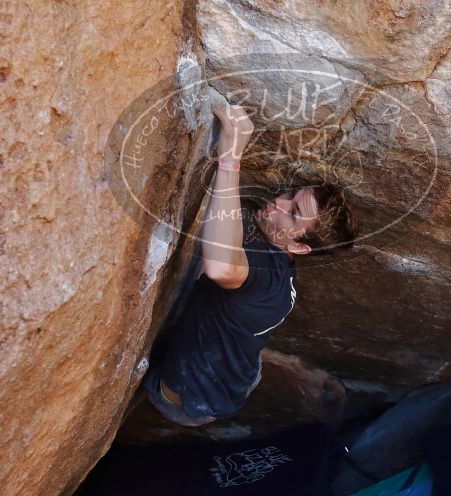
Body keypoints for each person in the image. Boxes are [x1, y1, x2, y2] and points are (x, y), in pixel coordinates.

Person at [141, 102, 359, 426]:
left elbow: (220, 268)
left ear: (298, 247)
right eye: (291, 194)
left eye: (294, 213)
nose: (279, 202)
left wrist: (231, 155)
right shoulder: (278, 268)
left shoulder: (263, 269)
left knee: (156, 385)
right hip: (238, 374)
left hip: (191, 400)